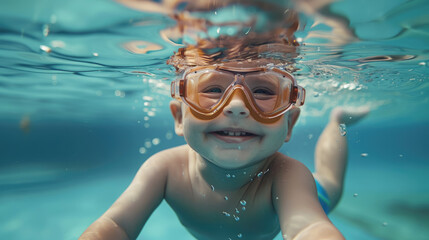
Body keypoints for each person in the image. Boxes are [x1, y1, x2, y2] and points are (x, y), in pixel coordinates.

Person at [79, 4, 369, 239]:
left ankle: (338, 120)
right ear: (179, 117)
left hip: (313, 196)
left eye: (264, 91)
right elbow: (117, 225)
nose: (238, 106)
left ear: (289, 124)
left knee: (329, 182)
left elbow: (308, 228)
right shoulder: (163, 170)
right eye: (213, 89)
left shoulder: (287, 176)